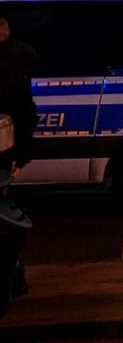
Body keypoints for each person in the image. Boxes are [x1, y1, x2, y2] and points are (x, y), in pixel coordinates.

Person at [0, 18, 35, 313]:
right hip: (6, 155)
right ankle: (12, 279)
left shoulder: (10, 69)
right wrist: (21, 157)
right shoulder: (21, 67)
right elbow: (27, 115)